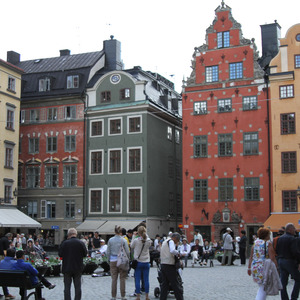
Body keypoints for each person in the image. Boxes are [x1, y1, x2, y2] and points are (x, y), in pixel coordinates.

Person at [247, 228, 280, 300]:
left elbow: (251, 257)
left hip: (255, 266)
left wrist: (249, 268)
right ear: (266, 235)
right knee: (263, 287)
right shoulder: (268, 244)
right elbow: (272, 257)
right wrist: (277, 268)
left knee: (261, 285)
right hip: (264, 266)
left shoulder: (255, 243)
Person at [59, 228, 87, 300]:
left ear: (68, 234)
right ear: (76, 234)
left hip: (67, 267)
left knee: (67, 288)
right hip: (78, 267)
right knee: (78, 287)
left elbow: (60, 254)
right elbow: (85, 254)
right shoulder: (81, 243)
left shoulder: (65, 243)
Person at [276, 223, 300, 300]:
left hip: (281, 261)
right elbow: (295, 252)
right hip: (289, 261)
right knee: (298, 279)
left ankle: (284, 298)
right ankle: (294, 297)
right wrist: (299, 261)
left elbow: (277, 250)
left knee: (283, 281)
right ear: (290, 229)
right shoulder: (292, 239)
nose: (295, 230)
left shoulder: (280, 238)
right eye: (294, 229)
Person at [107, 225, 130, 300]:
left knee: (114, 279)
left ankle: (113, 296)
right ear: (121, 232)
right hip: (122, 260)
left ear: (114, 231)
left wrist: (108, 260)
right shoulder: (123, 240)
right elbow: (127, 251)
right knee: (122, 278)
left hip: (113, 260)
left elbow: (108, 252)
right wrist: (128, 259)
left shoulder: (110, 240)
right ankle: (123, 296)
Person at [160, 232, 183, 300]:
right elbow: (172, 250)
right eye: (177, 241)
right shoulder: (171, 241)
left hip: (163, 264)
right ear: (175, 238)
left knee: (165, 285)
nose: (177, 242)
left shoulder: (165, 241)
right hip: (169, 264)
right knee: (175, 284)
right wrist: (178, 253)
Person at [131, 226, 152, 300]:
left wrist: (134, 236)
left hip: (138, 262)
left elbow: (131, 246)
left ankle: (138, 296)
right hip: (146, 262)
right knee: (146, 280)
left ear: (138, 232)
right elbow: (147, 240)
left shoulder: (136, 240)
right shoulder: (148, 240)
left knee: (137, 279)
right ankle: (147, 296)